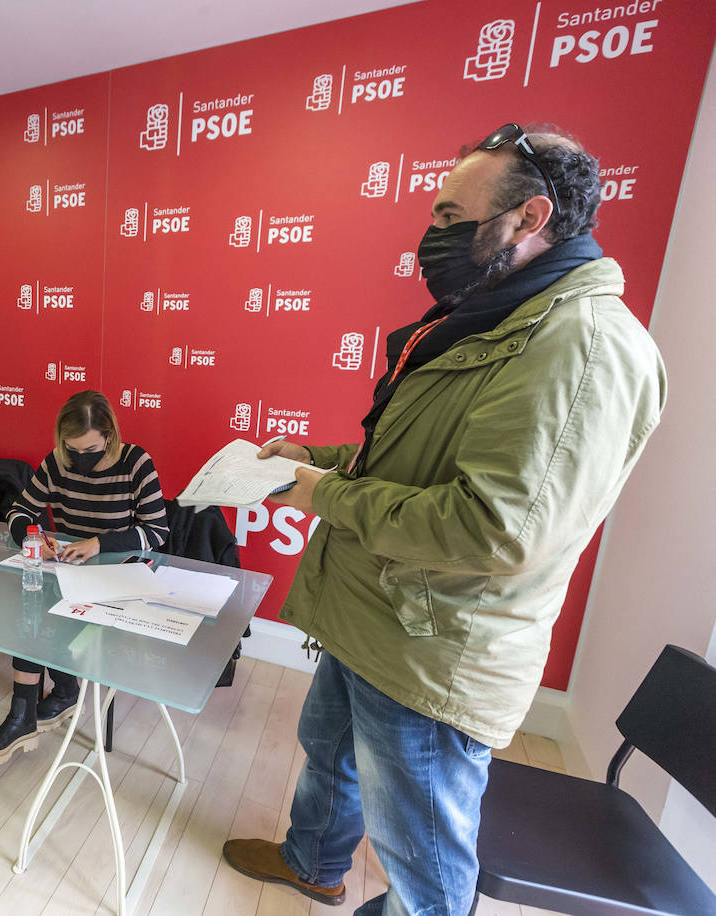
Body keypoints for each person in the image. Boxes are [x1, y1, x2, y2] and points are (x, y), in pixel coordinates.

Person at [221, 124, 665, 915]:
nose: (432, 237)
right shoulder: (501, 315)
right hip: (375, 612)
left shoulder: (580, 345)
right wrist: (312, 456)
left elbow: (492, 529)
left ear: (530, 219)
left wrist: (316, 492)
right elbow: (415, 458)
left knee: (421, 852)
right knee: (329, 755)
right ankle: (314, 862)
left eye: (450, 216)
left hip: (433, 651)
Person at [0, 390, 168, 765]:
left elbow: (156, 533)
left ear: (109, 434)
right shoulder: (57, 463)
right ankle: (39, 706)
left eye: (90, 450)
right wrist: (34, 537)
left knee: (42, 614)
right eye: (72, 449)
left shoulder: (135, 462)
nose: (80, 460)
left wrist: (98, 543)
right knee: (29, 604)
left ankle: (39, 706)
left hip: (119, 578)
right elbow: (19, 511)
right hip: (68, 569)